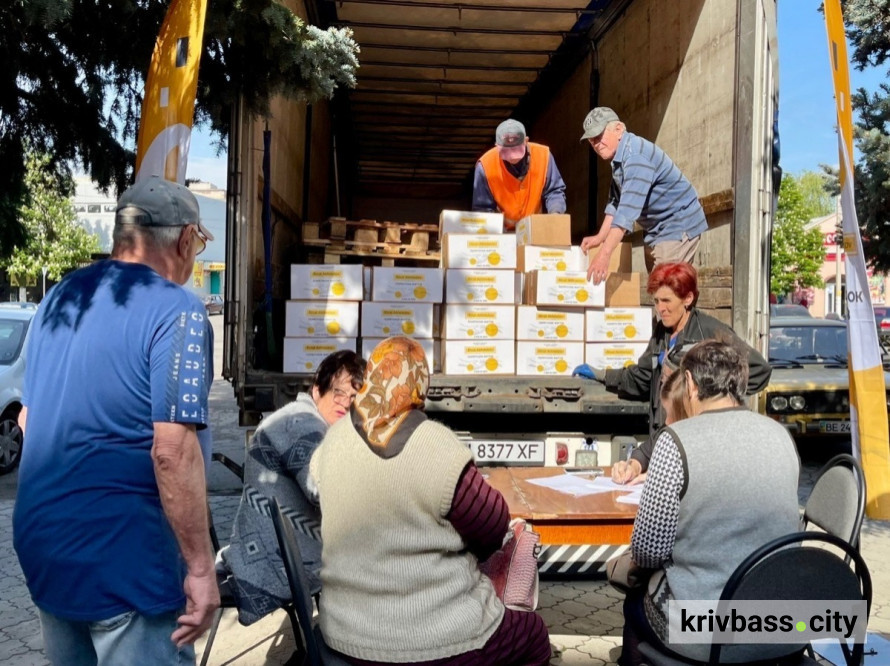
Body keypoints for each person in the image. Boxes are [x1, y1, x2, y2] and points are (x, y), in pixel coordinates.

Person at [13, 176, 219, 665]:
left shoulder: (60, 297)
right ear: (185, 240)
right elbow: (171, 452)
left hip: (45, 545)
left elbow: (26, 420)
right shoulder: (180, 310)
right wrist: (199, 568)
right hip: (125, 558)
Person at [311, 337, 552, 665]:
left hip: (344, 635)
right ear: (420, 385)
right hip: (435, 641)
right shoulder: (434, 444)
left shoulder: (333, 441)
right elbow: (493, 526)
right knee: (533, 634)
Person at [619, 340, 800, 665]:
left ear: (689, 382)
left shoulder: (675, 441)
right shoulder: (780, 435)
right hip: (783, 623)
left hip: (706, 629)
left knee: (634, 597)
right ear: (741, 381)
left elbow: (647, 551)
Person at [573, 262, 771, 485]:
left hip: (696, 445)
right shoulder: (662, 333)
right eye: (657, 301)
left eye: (667, 301)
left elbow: (760, 371)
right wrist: (602, 375)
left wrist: (709, 391)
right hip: (662, 434)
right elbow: (642, 378)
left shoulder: (710, 332)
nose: (661, 308)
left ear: (687, 299)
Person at [220, 350, 365, 625]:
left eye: (354, 398)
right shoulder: (300, 423)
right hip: (272, 565)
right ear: (317, 390)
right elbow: (322, 489)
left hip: (275, 552)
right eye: (338, 393)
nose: (346, 404)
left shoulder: (311, 421)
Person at [579, 107, 709, 283]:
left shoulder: (636, 157)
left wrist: (604, 254)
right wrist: (600, 237)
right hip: (655, 228)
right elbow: (616, 203)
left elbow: (625, 214)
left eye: (599, 136)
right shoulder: (619, 159)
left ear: (619, 129)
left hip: (676, 223)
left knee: (666, 287)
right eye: (591, 140)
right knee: (660, 286)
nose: (596, 143)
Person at [473, 118, 567, 230]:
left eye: (516, 149)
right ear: (496, 146)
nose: (512, 157)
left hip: (534, 230)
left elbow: (554, 192)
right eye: (507, 150)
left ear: (526, 141)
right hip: (503, 232)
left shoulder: (543, 156)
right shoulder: (485, 165)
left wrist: (555, 215)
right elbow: (483, 210)